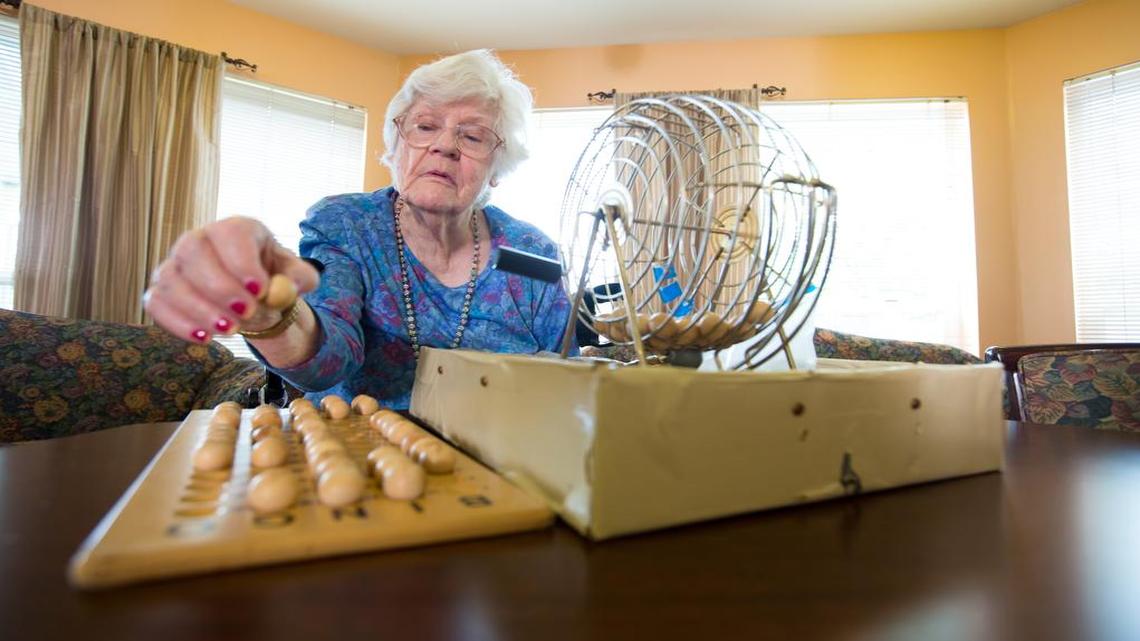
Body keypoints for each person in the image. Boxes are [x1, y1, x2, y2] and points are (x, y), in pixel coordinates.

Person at [143, 49, 575, 409]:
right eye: (425, 127)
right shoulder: (348, 225)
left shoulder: (530, 250)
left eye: (474, 137)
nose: (444, 146)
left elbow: (570, 374)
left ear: (496, 169)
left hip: (503, 459)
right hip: (358, 454)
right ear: (396, 144)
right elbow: (326, 362)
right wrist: (269, 316)